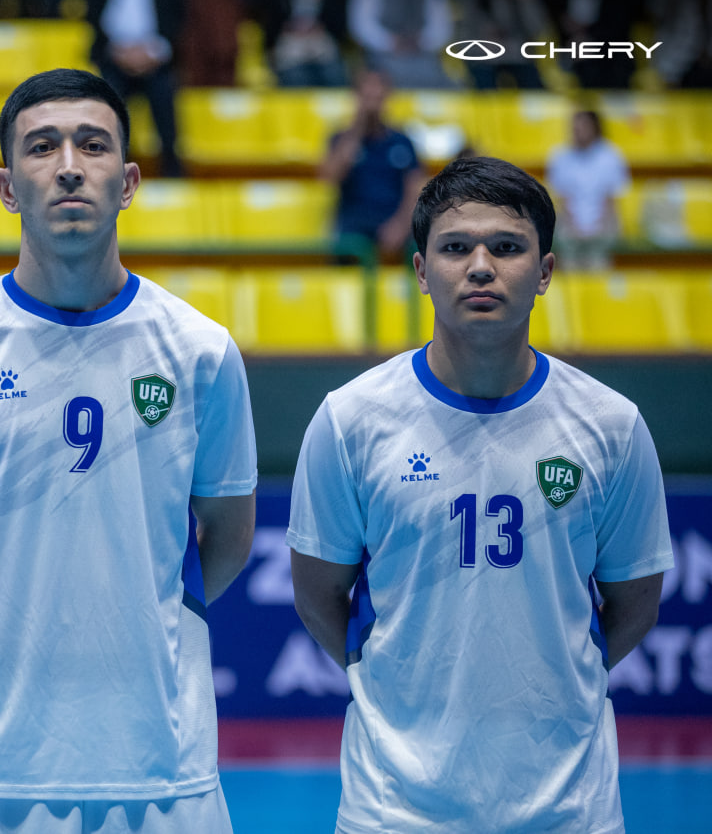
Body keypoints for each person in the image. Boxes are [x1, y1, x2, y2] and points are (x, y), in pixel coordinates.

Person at [0, 68, 258, 834]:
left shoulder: (199, 352)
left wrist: (144, 616)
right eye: (42, 146)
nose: (68, 165)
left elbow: (229, 533)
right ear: (6, 184)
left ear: (127, 181)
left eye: (92, 145)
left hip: (166, 766)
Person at [288, 155, 672, 833]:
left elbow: (635, 601)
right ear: (420, 271)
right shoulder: (351, 419)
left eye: (507, 246)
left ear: (546, 272)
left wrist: (561, 675)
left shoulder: (612, 425)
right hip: (394, 809)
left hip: (568, 808)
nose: (481, 266)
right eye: (456, 247)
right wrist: (385, 674)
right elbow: (320, 593)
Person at [319, 68, 424, 263]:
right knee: (343, 248)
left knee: (423, 248)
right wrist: (358, 126)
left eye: (378, 94)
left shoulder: (402, 142)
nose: (372, 101)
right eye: (366, 94)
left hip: (393, 219)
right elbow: (331, 176)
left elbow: (415, 188)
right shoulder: (341, 138)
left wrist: (401, 225)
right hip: (353, 224)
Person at [84, 0, 187, 177]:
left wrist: (153, 53)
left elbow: (177, 21)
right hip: (114, 58)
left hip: (156, 59)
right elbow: (95, 19)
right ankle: (112, 169)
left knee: (165, 93)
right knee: (107, 96)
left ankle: (172, 168)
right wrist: (118, 52)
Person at [546, 109, 630, 271]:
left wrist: (597, 227)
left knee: (598, 259)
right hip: (570, 223)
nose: (577, 130)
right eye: (575, 126)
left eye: (583, 126)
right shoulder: (560, 156)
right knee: (566, 246)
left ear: (595, 127)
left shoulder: (611, 156)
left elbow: (611, 200)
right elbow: (562, 199)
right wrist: (575, 227)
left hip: (602, 222)